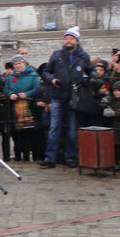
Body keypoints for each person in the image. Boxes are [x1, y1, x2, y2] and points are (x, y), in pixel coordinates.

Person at [38, 27, 93, 168]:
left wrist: (93, 79)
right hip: (57, 95)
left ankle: (70, 157)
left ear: (77, 40)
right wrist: (52, 80)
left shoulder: (83, 56)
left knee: (72, 129)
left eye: (71, 38)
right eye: (66, 38)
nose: (68, 40)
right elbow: (46, 71)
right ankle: (50, 158)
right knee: (54, 127)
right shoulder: (56, 55)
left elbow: (90, 71)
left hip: (74, 97)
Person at [4, 54, 41, 162]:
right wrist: (11, 94)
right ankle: (21, 156)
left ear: (24, 64)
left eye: (19, 63)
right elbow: (6, 89)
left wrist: (27, 94)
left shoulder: (33, 75)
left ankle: (34, 156)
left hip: (30, 108)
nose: (17, 66)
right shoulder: (11, 77)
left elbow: (37, 88)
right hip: (17, 109)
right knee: (20, 135)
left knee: (32, 133)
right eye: (15, 64)